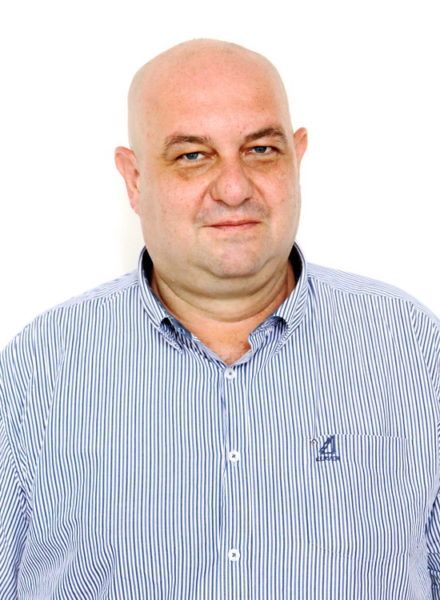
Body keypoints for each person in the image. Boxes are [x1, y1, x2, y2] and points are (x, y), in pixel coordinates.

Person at [0, 38, 439, 600]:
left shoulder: (411, 350)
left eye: (261, 150)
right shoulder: (37, 371)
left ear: (298, 158)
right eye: (192, 156)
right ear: (134, 179)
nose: (234, 188)